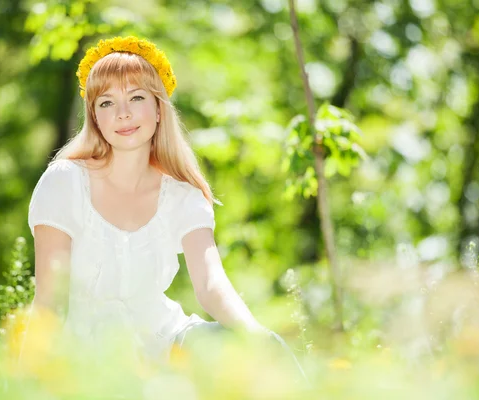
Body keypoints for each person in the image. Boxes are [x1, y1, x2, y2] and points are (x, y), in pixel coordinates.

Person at [27, 36, 306, 381]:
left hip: (169, 345)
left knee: (265, 346)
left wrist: (254, 335)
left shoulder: (182, 194)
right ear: (94, 117)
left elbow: (211, 283)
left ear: (159, 109)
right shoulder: (64, 183)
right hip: (90, 363)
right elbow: (48, 302)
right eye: (107, 103)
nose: (123, 113)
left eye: (137, 98)